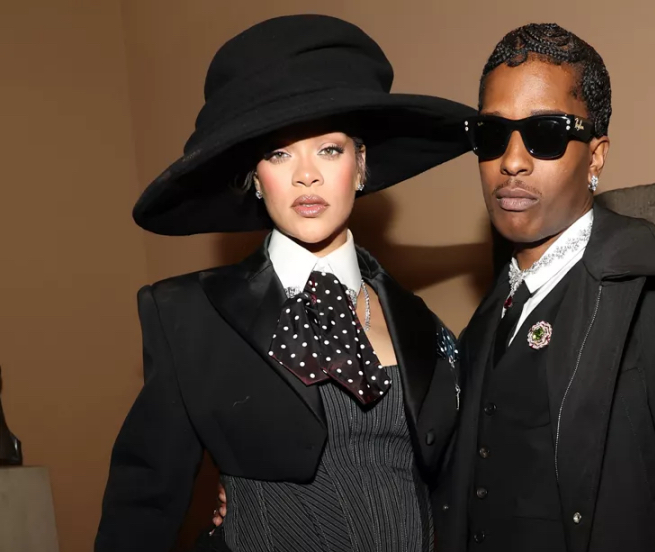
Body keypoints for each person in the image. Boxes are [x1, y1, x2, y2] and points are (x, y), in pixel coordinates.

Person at [95, 15, 474, 552]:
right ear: (255, 178)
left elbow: (459, 484)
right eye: (278, 153)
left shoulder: (421, 322)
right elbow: (141, 509)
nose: (305, 174)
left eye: (329, 149)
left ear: (361, 165)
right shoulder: (188, 317)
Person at [431, 23, 655, 551]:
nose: (511, 161)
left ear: (596, 156)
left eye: (546, 133)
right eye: (491, 134)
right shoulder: (488, 319)